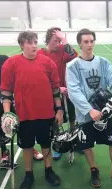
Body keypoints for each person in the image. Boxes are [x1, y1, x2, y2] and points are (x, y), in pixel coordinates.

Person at [0, 31, 63, 189]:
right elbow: (6, 92)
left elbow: (56, 89)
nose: (34, 45)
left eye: (35, 42)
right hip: (24, 115)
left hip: (46, 113)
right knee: (27, 146)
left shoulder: (48, 63)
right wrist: (7, 114)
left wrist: (59, 109)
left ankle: (49, 170)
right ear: (21, 45)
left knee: (45, 143)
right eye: (29, 42)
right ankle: (29, 174)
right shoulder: (11, 64)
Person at [66, 28, 112, 188]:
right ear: (79, 44)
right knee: (87, 145)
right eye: (85, 42)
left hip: (104, 113)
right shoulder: (72, 66)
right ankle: (94, 169)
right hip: (85, 115)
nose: (89, 44)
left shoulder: (103, 62)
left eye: (91, 41)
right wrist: (89, 110)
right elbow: (73, 92)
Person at [37, 27, 79, 160]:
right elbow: (39, 78)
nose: (58, 43)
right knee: (56, 120)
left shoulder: (62, 50)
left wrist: (65, 41)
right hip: (50, 93)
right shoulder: (40, 54)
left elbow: (74, 56)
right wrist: (55, 88)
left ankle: (74, 142)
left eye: (60, 40)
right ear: (48, 39)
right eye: (56, 40)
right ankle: (58, 144)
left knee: (72, 118)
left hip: (66, 91)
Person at [0, 54, 18, 170]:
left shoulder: (2, 59)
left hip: (5, 98)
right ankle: (2, 156)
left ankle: (30, 148)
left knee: (13, 123)